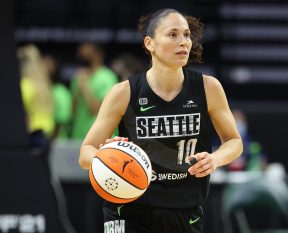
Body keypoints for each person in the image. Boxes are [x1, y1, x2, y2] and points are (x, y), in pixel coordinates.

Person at [79, 8, 243, 233]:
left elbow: (234, 141)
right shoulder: (124, 93)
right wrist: (104, 157)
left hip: (185, 209)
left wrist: (215, 159)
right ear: (150, 43)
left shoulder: (208, 88)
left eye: (186, 35)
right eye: (173, 34)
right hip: (130, 209)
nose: (184, 42)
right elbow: (85, 152)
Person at [71, 42, 118, 139]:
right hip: (78, 134)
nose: (84, 58)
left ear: (98, 55)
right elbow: (73, 110)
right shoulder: (79, 76)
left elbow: (97, 109)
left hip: (98, 137)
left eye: (88, 55)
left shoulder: (107, 77)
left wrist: (85, 86)